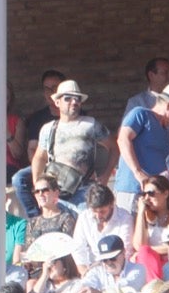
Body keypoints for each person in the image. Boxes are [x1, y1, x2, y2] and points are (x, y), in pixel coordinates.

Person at [22, 80, 114, 216]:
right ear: (57, 102)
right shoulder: (48, 128)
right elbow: (40, 157)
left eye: (77, 99)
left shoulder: (91, 124)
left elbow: (114, 148)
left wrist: (105, 176)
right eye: (68, 98)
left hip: (85, 191)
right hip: (57, 193)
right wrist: (39, 186)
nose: (74, 102)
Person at [113, 84, 169, 211]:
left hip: (154, 194)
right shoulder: (140, 114)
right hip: (132, 189)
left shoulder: (165, 131)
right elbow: (123, 139)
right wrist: (138, 172)